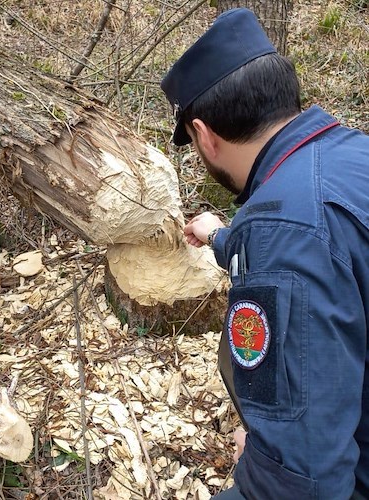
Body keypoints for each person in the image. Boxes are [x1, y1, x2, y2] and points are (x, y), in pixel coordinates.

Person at [161, 7, 369, 500]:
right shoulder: (350, 158)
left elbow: (303, 485)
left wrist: (266, 464)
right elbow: (329, 256)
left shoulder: (283, 227)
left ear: (204, 135)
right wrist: (221, 237)